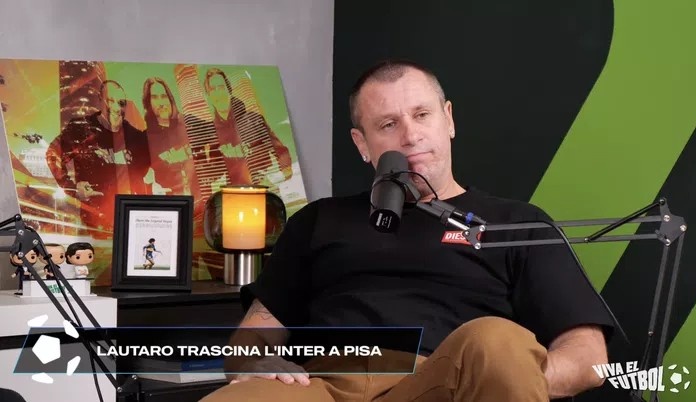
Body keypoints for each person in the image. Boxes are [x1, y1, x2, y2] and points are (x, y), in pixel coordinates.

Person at [201, 60, 613, 402]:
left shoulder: (518, 223)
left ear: (448, 119)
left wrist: (513, 375)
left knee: (497, 339)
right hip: (324, 385)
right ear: (362, 144)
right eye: (388, 124)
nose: (411, 136)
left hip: (444, 380)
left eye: (421, 115)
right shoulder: (318, 220)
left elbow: (589, 358)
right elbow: (251, 338)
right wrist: (254, 363)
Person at [46, 80, 150, 234]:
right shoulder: (82, 128)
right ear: (100, 101)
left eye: (121, 103)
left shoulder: (135, 136)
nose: (116, 108)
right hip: (93, 222)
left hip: (130, 220)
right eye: (110, 101)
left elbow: (144, 172)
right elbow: (52, 154)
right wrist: (72, 188)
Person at [203, 68, 293, 187]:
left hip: (264, 190)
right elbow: (213, 174)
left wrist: (275, 178)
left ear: (229, 90)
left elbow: (282, 154)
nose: (218, 93)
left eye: (221, 87)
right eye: (213, 89)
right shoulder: (211, 133)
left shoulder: (254, 119)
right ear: (208, 96)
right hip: (236, 194)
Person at [141, 77, 201, 197]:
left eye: (164, 96)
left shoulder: (190, 123)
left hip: (200, 201)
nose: (161, 103)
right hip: (169, 202)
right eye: (155, 97)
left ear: (170, 98)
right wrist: (151, 188)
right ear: (148, 103)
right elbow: (141, 177)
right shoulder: (144, 138)